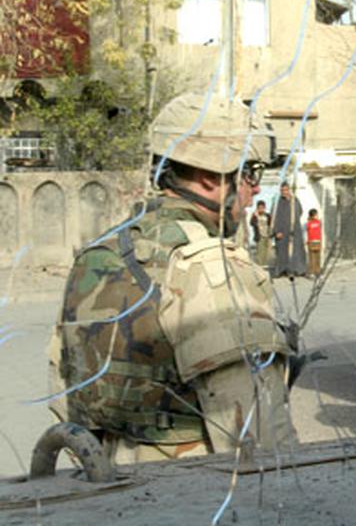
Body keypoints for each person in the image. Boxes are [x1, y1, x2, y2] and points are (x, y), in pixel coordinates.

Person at [47, 93, 297, 465]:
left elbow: (63, 389)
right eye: (249, 172)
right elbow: (257, 435)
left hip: (107, 480)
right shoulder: (212, 266)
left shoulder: (100, 253)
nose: (255, 188)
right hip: (194, 485)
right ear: (210, 176)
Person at [272, 182, 306, 278]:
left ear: (289, 190)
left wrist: (292, 202)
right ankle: (282, 270)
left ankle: (298, 270)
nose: (284, 192)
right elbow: (274, 217)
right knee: (282, 251)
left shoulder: (294, 201)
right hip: (281, 231)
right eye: (282, 190)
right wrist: (276, 231)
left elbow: (299, 212)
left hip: (294, 230)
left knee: (296, 250)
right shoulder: (277, 202)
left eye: (286, 190)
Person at [250, 200, 272, 266]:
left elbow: (271, 224)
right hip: (259, 236)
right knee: (260, 253)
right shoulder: (255, 216)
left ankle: (265, 265)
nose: (261, 209)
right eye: (259, 208)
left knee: (267, 252)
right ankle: (260, 266)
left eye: (262, 208)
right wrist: (255, 216)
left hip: (267, 235)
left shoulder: (267, 215)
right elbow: (251, 223)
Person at [305, 208, 322, 277]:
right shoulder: (309, 223)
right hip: (311, 241)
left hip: (318, 241)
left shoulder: (318, 222)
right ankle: (311, 272)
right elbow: (307, 230)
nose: (316, 216)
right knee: (312, 258)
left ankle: (317, 271)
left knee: (318, 257)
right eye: (315, 215)